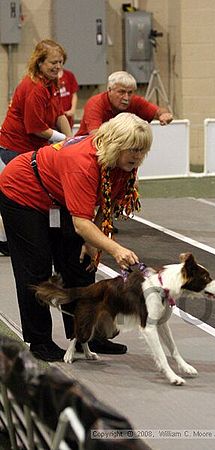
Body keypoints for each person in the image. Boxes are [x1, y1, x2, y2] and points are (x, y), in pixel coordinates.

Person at [0, 113, 153, 362]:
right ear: (116, 144)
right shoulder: (82, 162)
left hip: (58, 198)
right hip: (22, 192)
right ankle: (39, 341)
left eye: (142, 150)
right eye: (133, 149)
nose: (138, 156)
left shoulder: (125, 165)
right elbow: (81, 223)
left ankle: (85, 335)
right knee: (36, 269)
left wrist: (94, 242)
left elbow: (106, 205)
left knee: (81, 266)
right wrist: (115, 249)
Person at [0, 39, 73, 256]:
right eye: (53, 62)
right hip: (13, 150)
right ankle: (7, 241)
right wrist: (64, 140)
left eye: (61, 62)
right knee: (22, 198)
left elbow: (60, 114)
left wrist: (71, 139)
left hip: (31, 151)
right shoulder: (34, 88)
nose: (58, 67)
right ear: (39, 63)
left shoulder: (52, 84)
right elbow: (36, 128)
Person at [76, 70, 173, 136]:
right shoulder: (95, 103)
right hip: (86, 149)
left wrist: (164, 114)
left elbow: (159, 111)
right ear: (109, 90)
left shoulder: (135, 101)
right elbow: (95, 135)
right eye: (121, 92)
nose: (126, 98)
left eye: (130, 93)